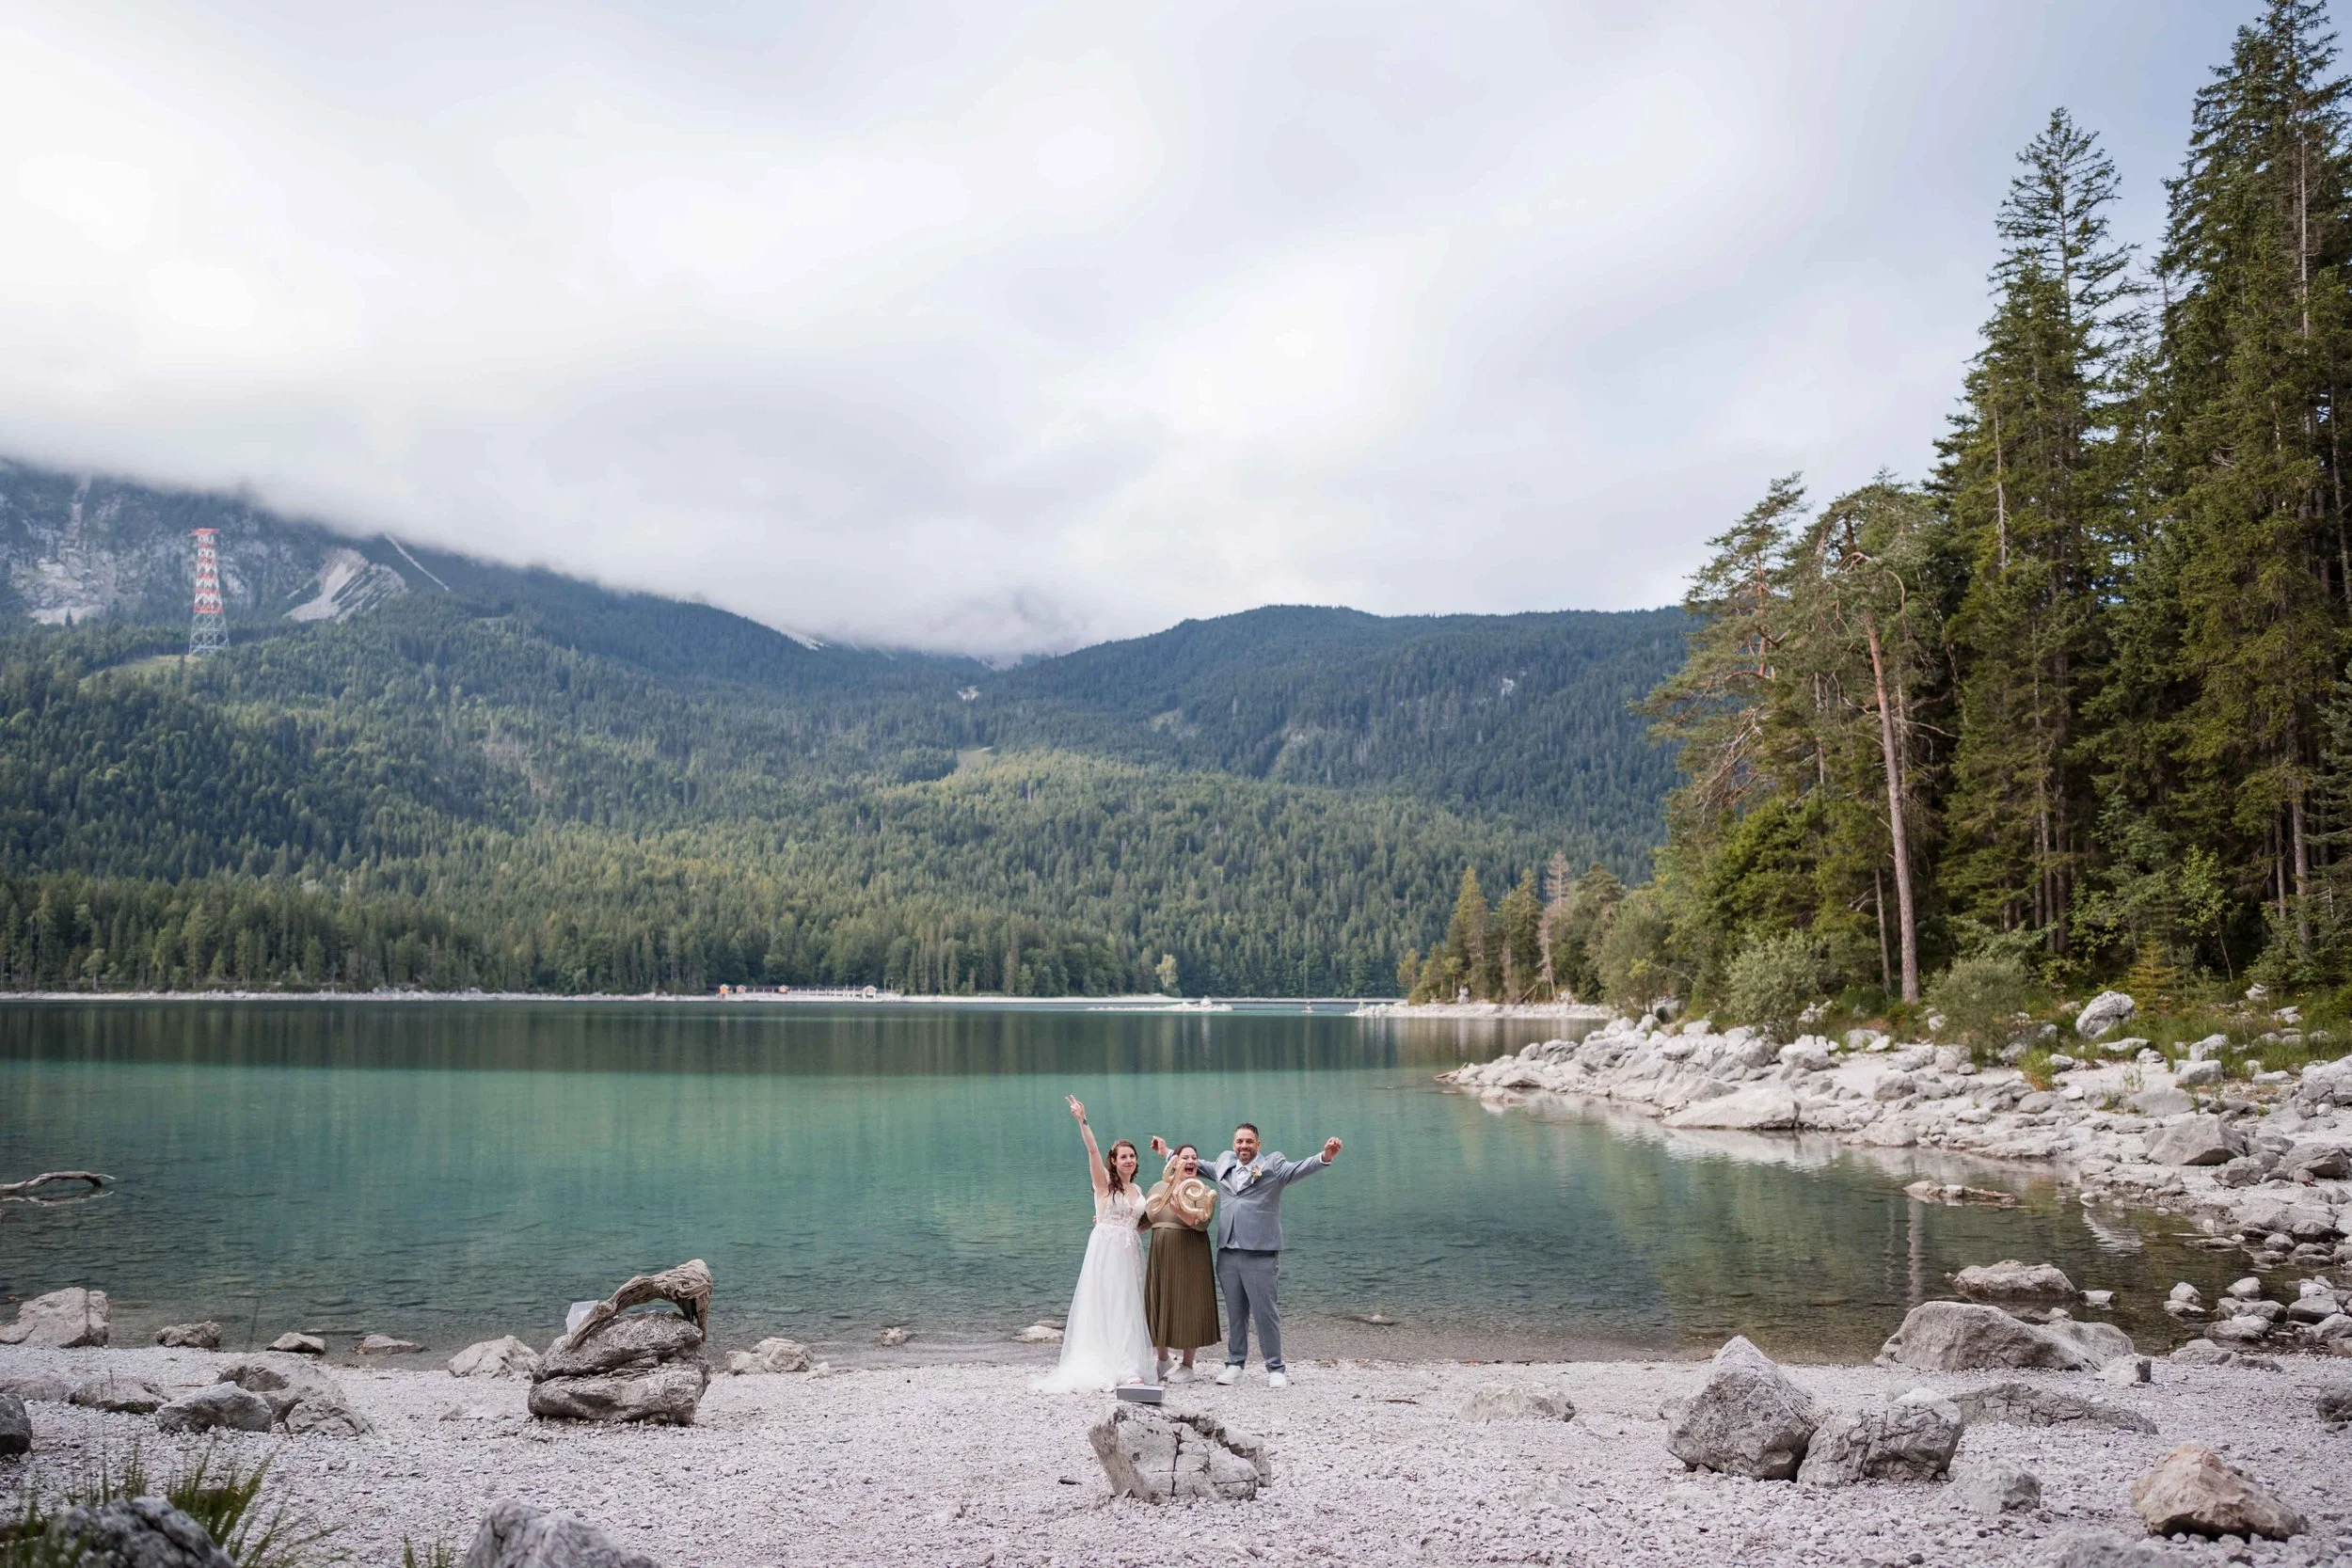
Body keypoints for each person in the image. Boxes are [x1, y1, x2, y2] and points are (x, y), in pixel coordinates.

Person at [1032, 1095, 1157, 1393]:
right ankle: (1112, 1364)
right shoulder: (1104, 1184)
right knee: (1108, 1303)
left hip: (1129, 1250)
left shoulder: (1138, 1189)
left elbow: (1140, 1222)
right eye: (1123, 1156)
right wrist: (1083, 1120)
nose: (1129, 1160)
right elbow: (1091, 1149)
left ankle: (1129, 1365)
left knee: (1129, 1304)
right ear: (1113, 1161)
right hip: (1107, 1250)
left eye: (1132, 1156)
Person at [1204, 1121, 1343, 1388]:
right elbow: (1196, 1164)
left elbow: (1299, 1169)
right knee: (1235, 1312)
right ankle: (1235, 1364)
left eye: (1249, 1141)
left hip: (1260, 1252)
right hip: (1228, 1252)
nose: (1244, 1146)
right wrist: (1169, 1152)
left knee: (1265, 1312)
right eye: (1239, 1142)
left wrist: (1325, 1156)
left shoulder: (1273, 1166)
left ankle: (1275, 1367)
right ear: (1234, 1145)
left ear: (1258, 1145)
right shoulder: (1224, 1164)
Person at [1141, 1136, 1220, 1382]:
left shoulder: (1202, 1191)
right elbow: (1143, 1221)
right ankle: (1163, 1359)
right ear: (1174, 1163)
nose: (1191, 1161)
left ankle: (1187, 1365)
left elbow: (1202, 1224)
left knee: (1189, 1304)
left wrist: (1180, 1211)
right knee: (1160, 1300)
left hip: (1190, 1254)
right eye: (1185, 1157)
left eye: (1194, 1158)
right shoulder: (1157, 1188)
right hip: (1161, 1254)